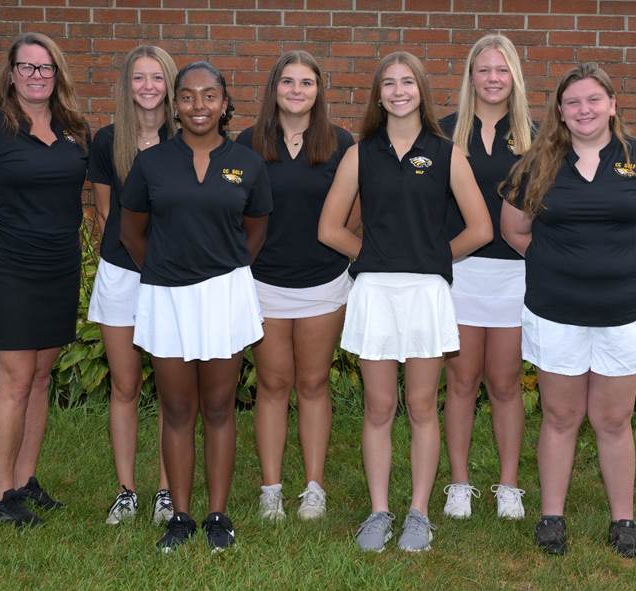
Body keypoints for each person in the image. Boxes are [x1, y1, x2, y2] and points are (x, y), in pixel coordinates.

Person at [500, 63, 636, 558]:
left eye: (594, 100)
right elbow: (515, 231)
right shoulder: (537, 162)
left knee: (613, 419)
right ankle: (552, 517)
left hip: (625, 311)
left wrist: (625, 265)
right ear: (560, 111)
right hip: (556, 310)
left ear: (612, 105)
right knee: (560, 416)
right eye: (574, 102)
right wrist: (564, 267)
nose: (584, 110)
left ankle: (623, 518)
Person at [318, 51, 491, 553]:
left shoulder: (445, 152)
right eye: (389, 83)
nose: (398, 91)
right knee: (378, 405)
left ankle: (418, 512)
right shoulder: (360, 153)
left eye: (407, 82)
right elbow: (329, 229)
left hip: (425, 294)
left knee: (419, 405)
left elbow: (480, 228)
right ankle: (378, 511)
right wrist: (373, 256)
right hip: (374, 291)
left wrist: (432, 258)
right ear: (378, 95)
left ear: (422, 91)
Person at [120, 61, 272, 553]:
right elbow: (131, 232)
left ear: (225, 104)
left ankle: (217, 516)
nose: (198, 106)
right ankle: (180, 516)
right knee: (178, 408)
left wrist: (221, 271)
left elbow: (256, 230)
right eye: (187, 97)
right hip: (166, 296)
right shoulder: (152, 163)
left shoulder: (247, 162)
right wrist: (170, 271)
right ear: (175, 105)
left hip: (225, 296)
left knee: (219, 407)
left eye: (209, 96)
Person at [0, 32, 88, 528]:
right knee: (16, 378)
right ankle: (0, 495)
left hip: (57, 266)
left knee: (41, 377)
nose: (36, 76)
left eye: (45, 68)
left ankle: (25, 482)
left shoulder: (73, 128)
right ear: (10, 74)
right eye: (26, 68)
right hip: (3, 267)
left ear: (57, 75)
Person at [237, 50, 355, 522]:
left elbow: (355, 211)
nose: (297, 90)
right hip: (263, 281)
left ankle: (313, 487)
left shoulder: (341, 142)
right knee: (272, 383)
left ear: (319, 90)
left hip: (322, 281)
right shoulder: (247, 142)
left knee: (312, 382)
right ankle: (271, 488)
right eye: (288, 82)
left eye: (307, 83)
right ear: (274, 89)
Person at [439, 33, 534, 521]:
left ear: (513, 76)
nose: (493, 79)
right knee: (461, 380)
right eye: (484, 70)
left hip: (515, 273)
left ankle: (509, 485)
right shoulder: (444, 133)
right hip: (459, 272)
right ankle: (458, 483)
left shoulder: (535, 136)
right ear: (471, 76)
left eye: (502, 70)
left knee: (505, 382)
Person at [88, 45, 177, 527]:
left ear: (169, 83)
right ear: (127, 84)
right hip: (121, 273)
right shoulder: (107, 141)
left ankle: (167, 490)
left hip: (172, 276)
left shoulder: (186, 139)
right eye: (139, 78)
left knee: (171, 389)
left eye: (157, 78)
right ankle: (126, 490)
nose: (148, 86)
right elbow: (106, 211)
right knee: (125, 385)